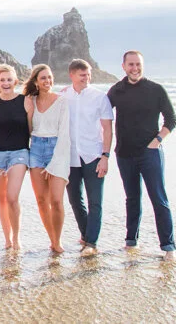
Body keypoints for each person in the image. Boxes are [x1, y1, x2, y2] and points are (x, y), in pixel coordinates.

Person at [108, 50, 176, 261]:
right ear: (123, 66)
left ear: (142, 65)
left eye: (138, 64)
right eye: (130, 64)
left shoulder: (155, 90)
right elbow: (99, 113)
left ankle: (169, 247)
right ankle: (131, 241)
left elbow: (171, 119)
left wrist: (156, 141)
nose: (135, 68)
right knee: (132, 199)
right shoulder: (116, 91)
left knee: (159, 199)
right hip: (124, 153)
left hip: (150, 154)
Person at [61, 59, 114, 257]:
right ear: (72, 75)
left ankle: (92, 242)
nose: (87, 78)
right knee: (75, 199)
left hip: (93, 155)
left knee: (95, 201)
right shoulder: (63, 96)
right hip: (71, 157)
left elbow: (108, 129)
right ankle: (85, 234)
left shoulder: (100, 97)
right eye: (82, 75)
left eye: (88, 74)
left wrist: (105, 156)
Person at [24, 63, 70, 254]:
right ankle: (52, 240)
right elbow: (28, 131)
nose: (47, 81)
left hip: (56, 149)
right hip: (35, 149)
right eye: (43, 78)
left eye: (50, 77)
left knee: (56, 200)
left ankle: (57, 241)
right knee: (42, 200)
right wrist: (29, 112)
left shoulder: (62, 101)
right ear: (36, 81)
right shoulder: (31, 101)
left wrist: (54, 162)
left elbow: (65, 134)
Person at [0, 64, 30, 250]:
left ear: (16, 81)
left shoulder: (25, 101)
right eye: (2, 80)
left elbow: (32, 128)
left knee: (12, 197)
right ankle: (7, 239)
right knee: (2, 199)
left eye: (9, 80)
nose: (5, 83)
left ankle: (17, 237)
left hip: (19, 153)